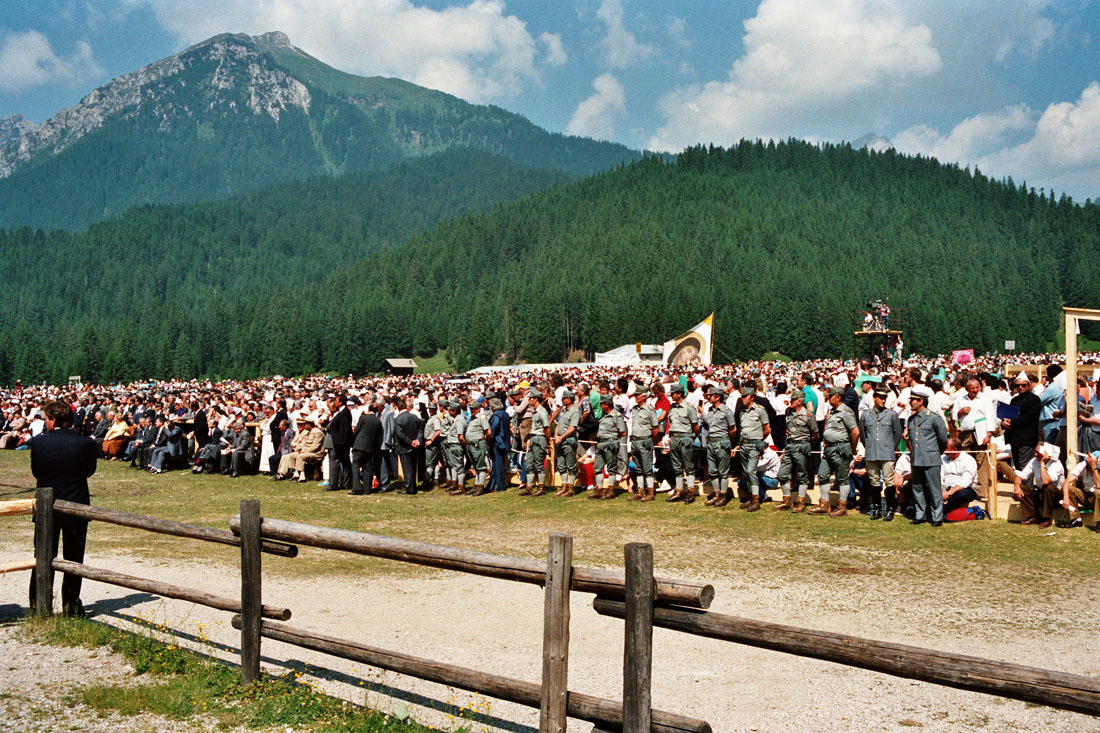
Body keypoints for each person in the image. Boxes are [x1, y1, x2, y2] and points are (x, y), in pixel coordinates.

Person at [28, 400, 97, 616]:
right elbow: (89, 471)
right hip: (76, 503)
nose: (45, 422)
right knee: (73, 557)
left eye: (46, 418)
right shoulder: (85, 443)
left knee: (42, 554)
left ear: (53, 419)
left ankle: (38, 601)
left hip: (47, 505)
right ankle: (71, 603)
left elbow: (37, 473)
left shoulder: (39, 443)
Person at [809, 386, 859, 516]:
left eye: (830, 396)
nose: (828, 399)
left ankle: (842, 505)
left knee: (842, 478)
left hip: (840, 448)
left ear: (838, 397)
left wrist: (852, 448)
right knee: (822, 475)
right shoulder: (832, 412)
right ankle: (824, 504)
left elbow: (855, 432)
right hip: (829, 448)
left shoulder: (845, 411)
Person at [906, 387, 950, 526]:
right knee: (917, 487)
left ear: (921, 401)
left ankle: (937, 516)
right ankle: (920, 514)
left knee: (934, 488)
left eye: (913, 400)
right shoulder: (911, 419)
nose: (910, 403)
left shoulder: (934, 418)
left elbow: (943, 439)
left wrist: (935, 452)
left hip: (931, 458)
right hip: (916, 458)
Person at [859, 387, 902, 520]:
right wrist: (869, 446)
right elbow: (863, 434)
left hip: (886, 451)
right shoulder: (866, 415)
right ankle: (876, 508)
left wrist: (891, 447)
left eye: (885, 398)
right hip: (872, 451)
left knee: (889, 481)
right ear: (874, 398)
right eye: (881, 397)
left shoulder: (892, 415)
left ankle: (890, 509)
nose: (883, 400)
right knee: (874, 481)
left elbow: (897, 434)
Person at [735, 385, 770, 512]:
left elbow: (767, 430)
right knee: (747, 473)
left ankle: (756, 499)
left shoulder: (760, 410)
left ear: (752, 397)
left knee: (751, 471)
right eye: (742, 396)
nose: (742, 399)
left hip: (754, 445)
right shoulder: (742, 412)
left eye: (745, 396)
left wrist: (758, 440)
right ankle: (751, 497)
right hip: (743, 445)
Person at [1013, 443, 1064, 528]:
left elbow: (1046, 481)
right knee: (1022, 488)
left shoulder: (1056, 464)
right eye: (1035, 452)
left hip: (1056, 497)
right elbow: (1020, 476)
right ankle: (1033, 516)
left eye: (1038, 453)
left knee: (1048, 487)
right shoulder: (1034, 461)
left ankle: (1046, 518)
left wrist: (1042, 464)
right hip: (1042, 493)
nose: (1035, 454)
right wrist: (1016, 486)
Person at [664, 383, 699, 504]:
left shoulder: (689, 407)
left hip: (685, 438)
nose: (671, 396)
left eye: (673, 394)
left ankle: (690, 491)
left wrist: (689, 438)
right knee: (676, 466)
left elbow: (695, 426)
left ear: (679, 394)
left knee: (688, 466)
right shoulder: (672, 408)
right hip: (674, 438)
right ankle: (678, 490)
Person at [703, 386, 737, 507]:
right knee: (712, 471)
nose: (708, 397)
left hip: (722, 442)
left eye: (710, 395)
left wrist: (725, 439)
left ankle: (723, 495)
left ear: (717, 397)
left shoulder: (726, 411)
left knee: (723, 472)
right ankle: (716, 493)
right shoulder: (710, 410)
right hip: (711, 443)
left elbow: (733, 429)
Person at [590, 393, 626, 500]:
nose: (600, 406)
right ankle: (600, 490)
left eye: (601, 404)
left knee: (611, 468)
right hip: (600, 444)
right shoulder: (604, 416)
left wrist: (612, 438)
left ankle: (610, 490)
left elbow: (622, 432)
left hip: (610, 443)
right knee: (597, 467)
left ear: (606, 404)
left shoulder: (616, 415)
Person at [1003, 373, 1041, 470]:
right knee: (1018, 466)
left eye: (1023, 385)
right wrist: (1004, 423)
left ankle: (1026, 485)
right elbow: (1008, 415)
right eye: (1018, 385)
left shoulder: (1034, 399)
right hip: (1015, 438)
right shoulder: (1014, 400)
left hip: (1026, 438)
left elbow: (1029, 417)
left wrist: (1012, 422)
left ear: (1028, 385)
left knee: (1025, 467)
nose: (1020, 387)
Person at [628, 385, 660, 502]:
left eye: (638, 395)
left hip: (645, 440)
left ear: (644, 396)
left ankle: (650, 492)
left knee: (647, 468)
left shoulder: (649, 409)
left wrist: (651, 440)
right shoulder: (635, 409)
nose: (636, 397)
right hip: (635, 440)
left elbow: (655, 428)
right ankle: (640, 491)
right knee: (638, 468)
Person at [520, 388, 550, 497]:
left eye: (531, 398)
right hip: (533, 438)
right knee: (529, 464)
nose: (529, 400)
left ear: (536, 399)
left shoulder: (542, 412)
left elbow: (546, 428)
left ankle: (541, 487)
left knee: (539, 464)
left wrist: (547, 442)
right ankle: (529, 487)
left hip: (539, 438)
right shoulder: (535, 411)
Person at [350, 402, 383, 494]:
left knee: (356, 466)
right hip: (370, 447)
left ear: (369, 409)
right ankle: (367, 489)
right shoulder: (378, 421)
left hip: (359, 445)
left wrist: (352, 441)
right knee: (367, 467)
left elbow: (356, 430)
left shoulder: (364, 418)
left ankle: (357, 488)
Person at [940, 437, 979, 514]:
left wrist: (949, 493)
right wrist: (941, 491)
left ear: (954, 449)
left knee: (962, 494)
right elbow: (940, 477)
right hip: (945, 489)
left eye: (946, 448)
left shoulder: (968, 460)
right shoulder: (942, 459)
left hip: (964, 489)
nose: (944, 449)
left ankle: (943, 512)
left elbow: (965, 483)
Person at [553, 389, 580, 498]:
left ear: (569, 400)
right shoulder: (563, 411)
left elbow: (572, 428)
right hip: (560, 441)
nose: (562, 400)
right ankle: (564, 486)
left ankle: (571, 488)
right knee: (561, 465)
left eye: (564, 398)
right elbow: (558, 425)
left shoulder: (575, 411)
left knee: (570, 465)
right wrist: (556, 436)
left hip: (568, 441)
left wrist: (561, 437)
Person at [393, 397, 423, 495]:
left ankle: (408, 488)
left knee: (407, 468)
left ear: (397, 407)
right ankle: (412, 486)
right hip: (414, 446)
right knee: (413, 467)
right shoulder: (414, 417)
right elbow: (420, 429)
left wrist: (410, 442)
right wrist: (417, 440)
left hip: (405, 446)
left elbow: (400, 434)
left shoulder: (398, 419)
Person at [421, 401, 447, 492]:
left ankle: (427, 481)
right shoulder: (432, 418)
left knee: (429, 463)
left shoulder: (435, 419)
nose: (431, 410)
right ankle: (435, 478)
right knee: (434, 462)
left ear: (436, 409)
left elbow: (438, 431)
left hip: (432, 443)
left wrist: (431, 440)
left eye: (432, 409)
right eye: (430, 408)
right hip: (432, 443)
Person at [487, 397, 512, 493]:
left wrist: (491, 436)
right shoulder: (505, 414)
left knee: (498, 464)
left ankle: (500, 485)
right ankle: (495, 483)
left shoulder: (496, 415)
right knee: (499, 463)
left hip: (497, 442)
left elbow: (495, 426)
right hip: (505, 442)